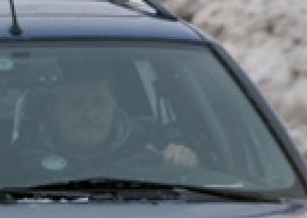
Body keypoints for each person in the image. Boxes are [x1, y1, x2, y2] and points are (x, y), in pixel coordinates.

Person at [22, 69, 199, 173]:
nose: (89, 114)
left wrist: (186, 164)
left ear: (114, 109)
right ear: (55, 112)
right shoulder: (23, 162)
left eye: (99, 102)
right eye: (76, 104)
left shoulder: (153, 155)